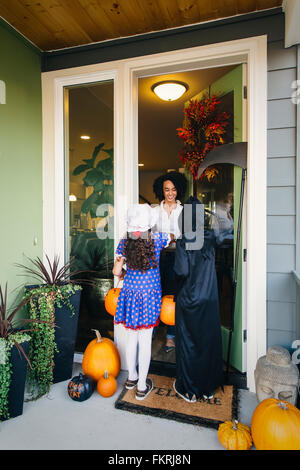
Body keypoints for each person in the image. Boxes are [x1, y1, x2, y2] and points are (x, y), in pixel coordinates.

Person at [112, 204, 171, 400]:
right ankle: (142, 386)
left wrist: (123, 268)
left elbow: (116, 272)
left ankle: (131, 378)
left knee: (132, 339)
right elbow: (173, 235)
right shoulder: (157, 239)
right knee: (145, 342)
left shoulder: (125, 242)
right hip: (149, 296)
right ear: (148, 225)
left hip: (129, 294)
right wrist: (158, 213)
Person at [173, 196, 224, 403]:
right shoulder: (211, 238)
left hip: (189, 299)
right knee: (206, 342)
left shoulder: (183, 241)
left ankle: (190, 390)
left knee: (188, 344)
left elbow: (182, 271)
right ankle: (207, 388)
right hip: (209, 298)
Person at [152, 171, 187, 352]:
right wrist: (163, 237)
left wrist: (175, 237)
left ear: (178, 190)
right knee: (156, 292)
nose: (170, 193)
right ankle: (152, 330)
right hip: (158, 256)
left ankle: (171, 336)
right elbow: (148, 232)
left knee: (172, 296)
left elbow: (188, 235)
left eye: (173, 189)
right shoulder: (155, 211)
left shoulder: (184, 210)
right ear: (162, 191)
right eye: (167, 190)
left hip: (176, 256)